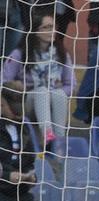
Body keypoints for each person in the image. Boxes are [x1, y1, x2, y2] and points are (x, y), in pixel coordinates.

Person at [1, 11, 76, 146]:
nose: (51, 31)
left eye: (53, 27)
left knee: (59, 93)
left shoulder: (61, 54)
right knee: (41, 91)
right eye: (46, 27)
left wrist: (52, 93)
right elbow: (4, 81)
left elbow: (70, 84)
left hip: (53, 101)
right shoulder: (19, 54)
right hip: (26, 103)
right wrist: (16, 86)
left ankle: (60, 141)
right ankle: (47, 136)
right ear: (35, 31)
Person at [0, 88, 55, 201]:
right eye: (11, 106)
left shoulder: (23, 128)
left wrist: (30, 177)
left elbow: (28, 160)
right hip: (1, 193)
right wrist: (7, 176)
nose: (17, 111)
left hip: (19, 193)